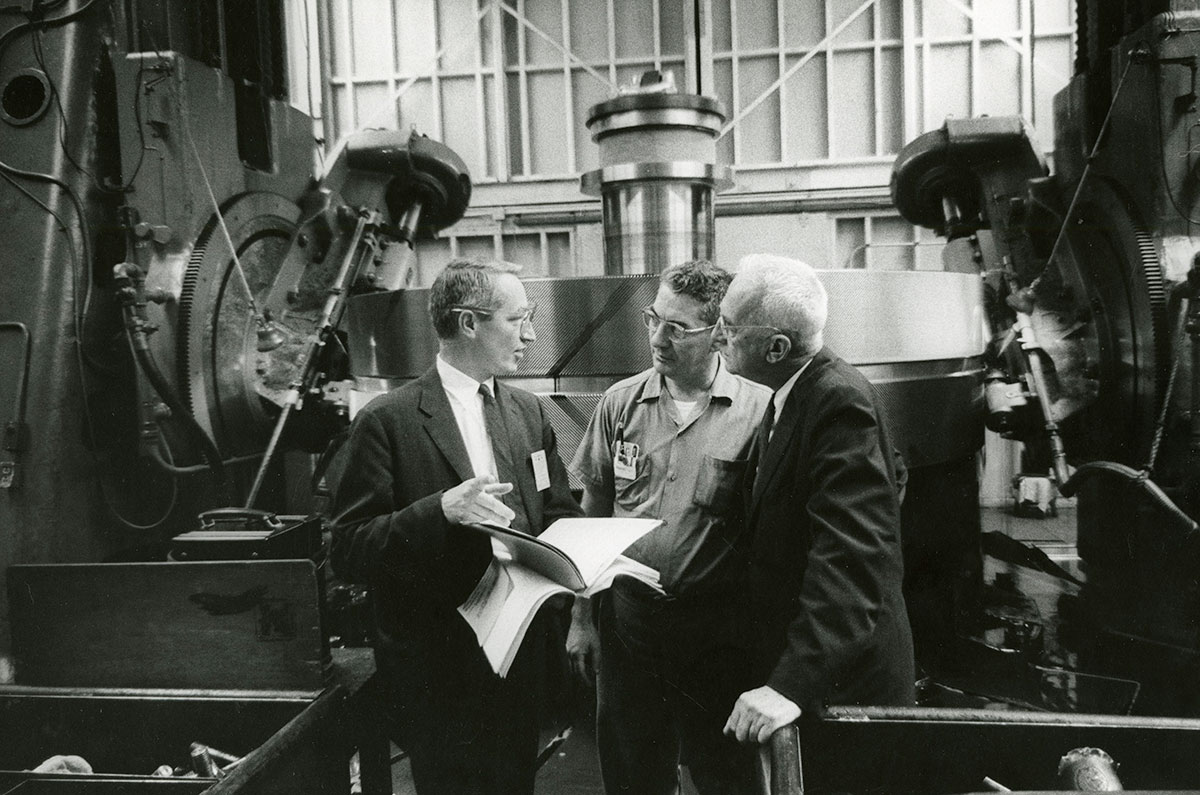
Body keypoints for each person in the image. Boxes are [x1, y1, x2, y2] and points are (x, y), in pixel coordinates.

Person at [330, 258, 581, 794]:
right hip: (438, 673)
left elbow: (557, 512)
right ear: (469, 323)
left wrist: (582, 558)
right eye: (518, 320)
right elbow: (348, 548)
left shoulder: (529, 414)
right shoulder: (387, 421)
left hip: (520, 664)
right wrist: (439, 511)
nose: (531, 334)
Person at [569, 260, 771, 794]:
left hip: (716, 640)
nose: (658, 338)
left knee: (725, 775)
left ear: (720, 333)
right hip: (628, 634)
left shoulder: (759, 413)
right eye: (653, 319)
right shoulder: (620, 404)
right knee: (633, 775)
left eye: (677, 328)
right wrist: (582, 619)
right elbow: (591, 514)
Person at [715, 254, 915, 746]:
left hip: (845, 688)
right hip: (827, 674)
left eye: (729, 327)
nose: (717, 336)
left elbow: (851, 557)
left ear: (777, 347)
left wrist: (789, 686)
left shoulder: (836, 401)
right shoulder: (796, 394)